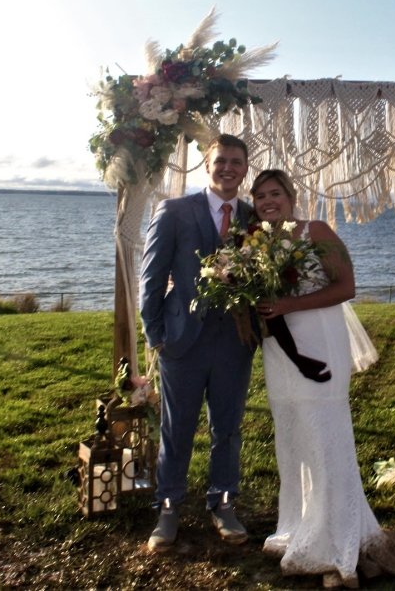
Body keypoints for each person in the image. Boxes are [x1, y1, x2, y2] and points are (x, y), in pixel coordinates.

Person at [251, 169, 395, 589]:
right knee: (292, 437)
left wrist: (290, 302)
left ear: (292, 197)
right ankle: (298, 527)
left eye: (275, 193)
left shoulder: (318, 231)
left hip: (321, 343)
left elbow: (346, 286)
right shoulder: (257, 245)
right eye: (259, 197)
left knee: (324, 434)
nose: (267, 201)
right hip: (280, 348)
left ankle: (338, 547)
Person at [139, 134, 257, 552]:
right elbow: (151, 278)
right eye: (220, 160)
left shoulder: (253, 218)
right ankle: (168, 509)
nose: (228, 168)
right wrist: (157, 335)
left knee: (228, 428)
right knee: (177, 429)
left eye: (236, 162)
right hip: (182, 342)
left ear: (245, 168)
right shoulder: (174, 211)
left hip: (234, 344)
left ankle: (223, 503)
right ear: (206, 166)